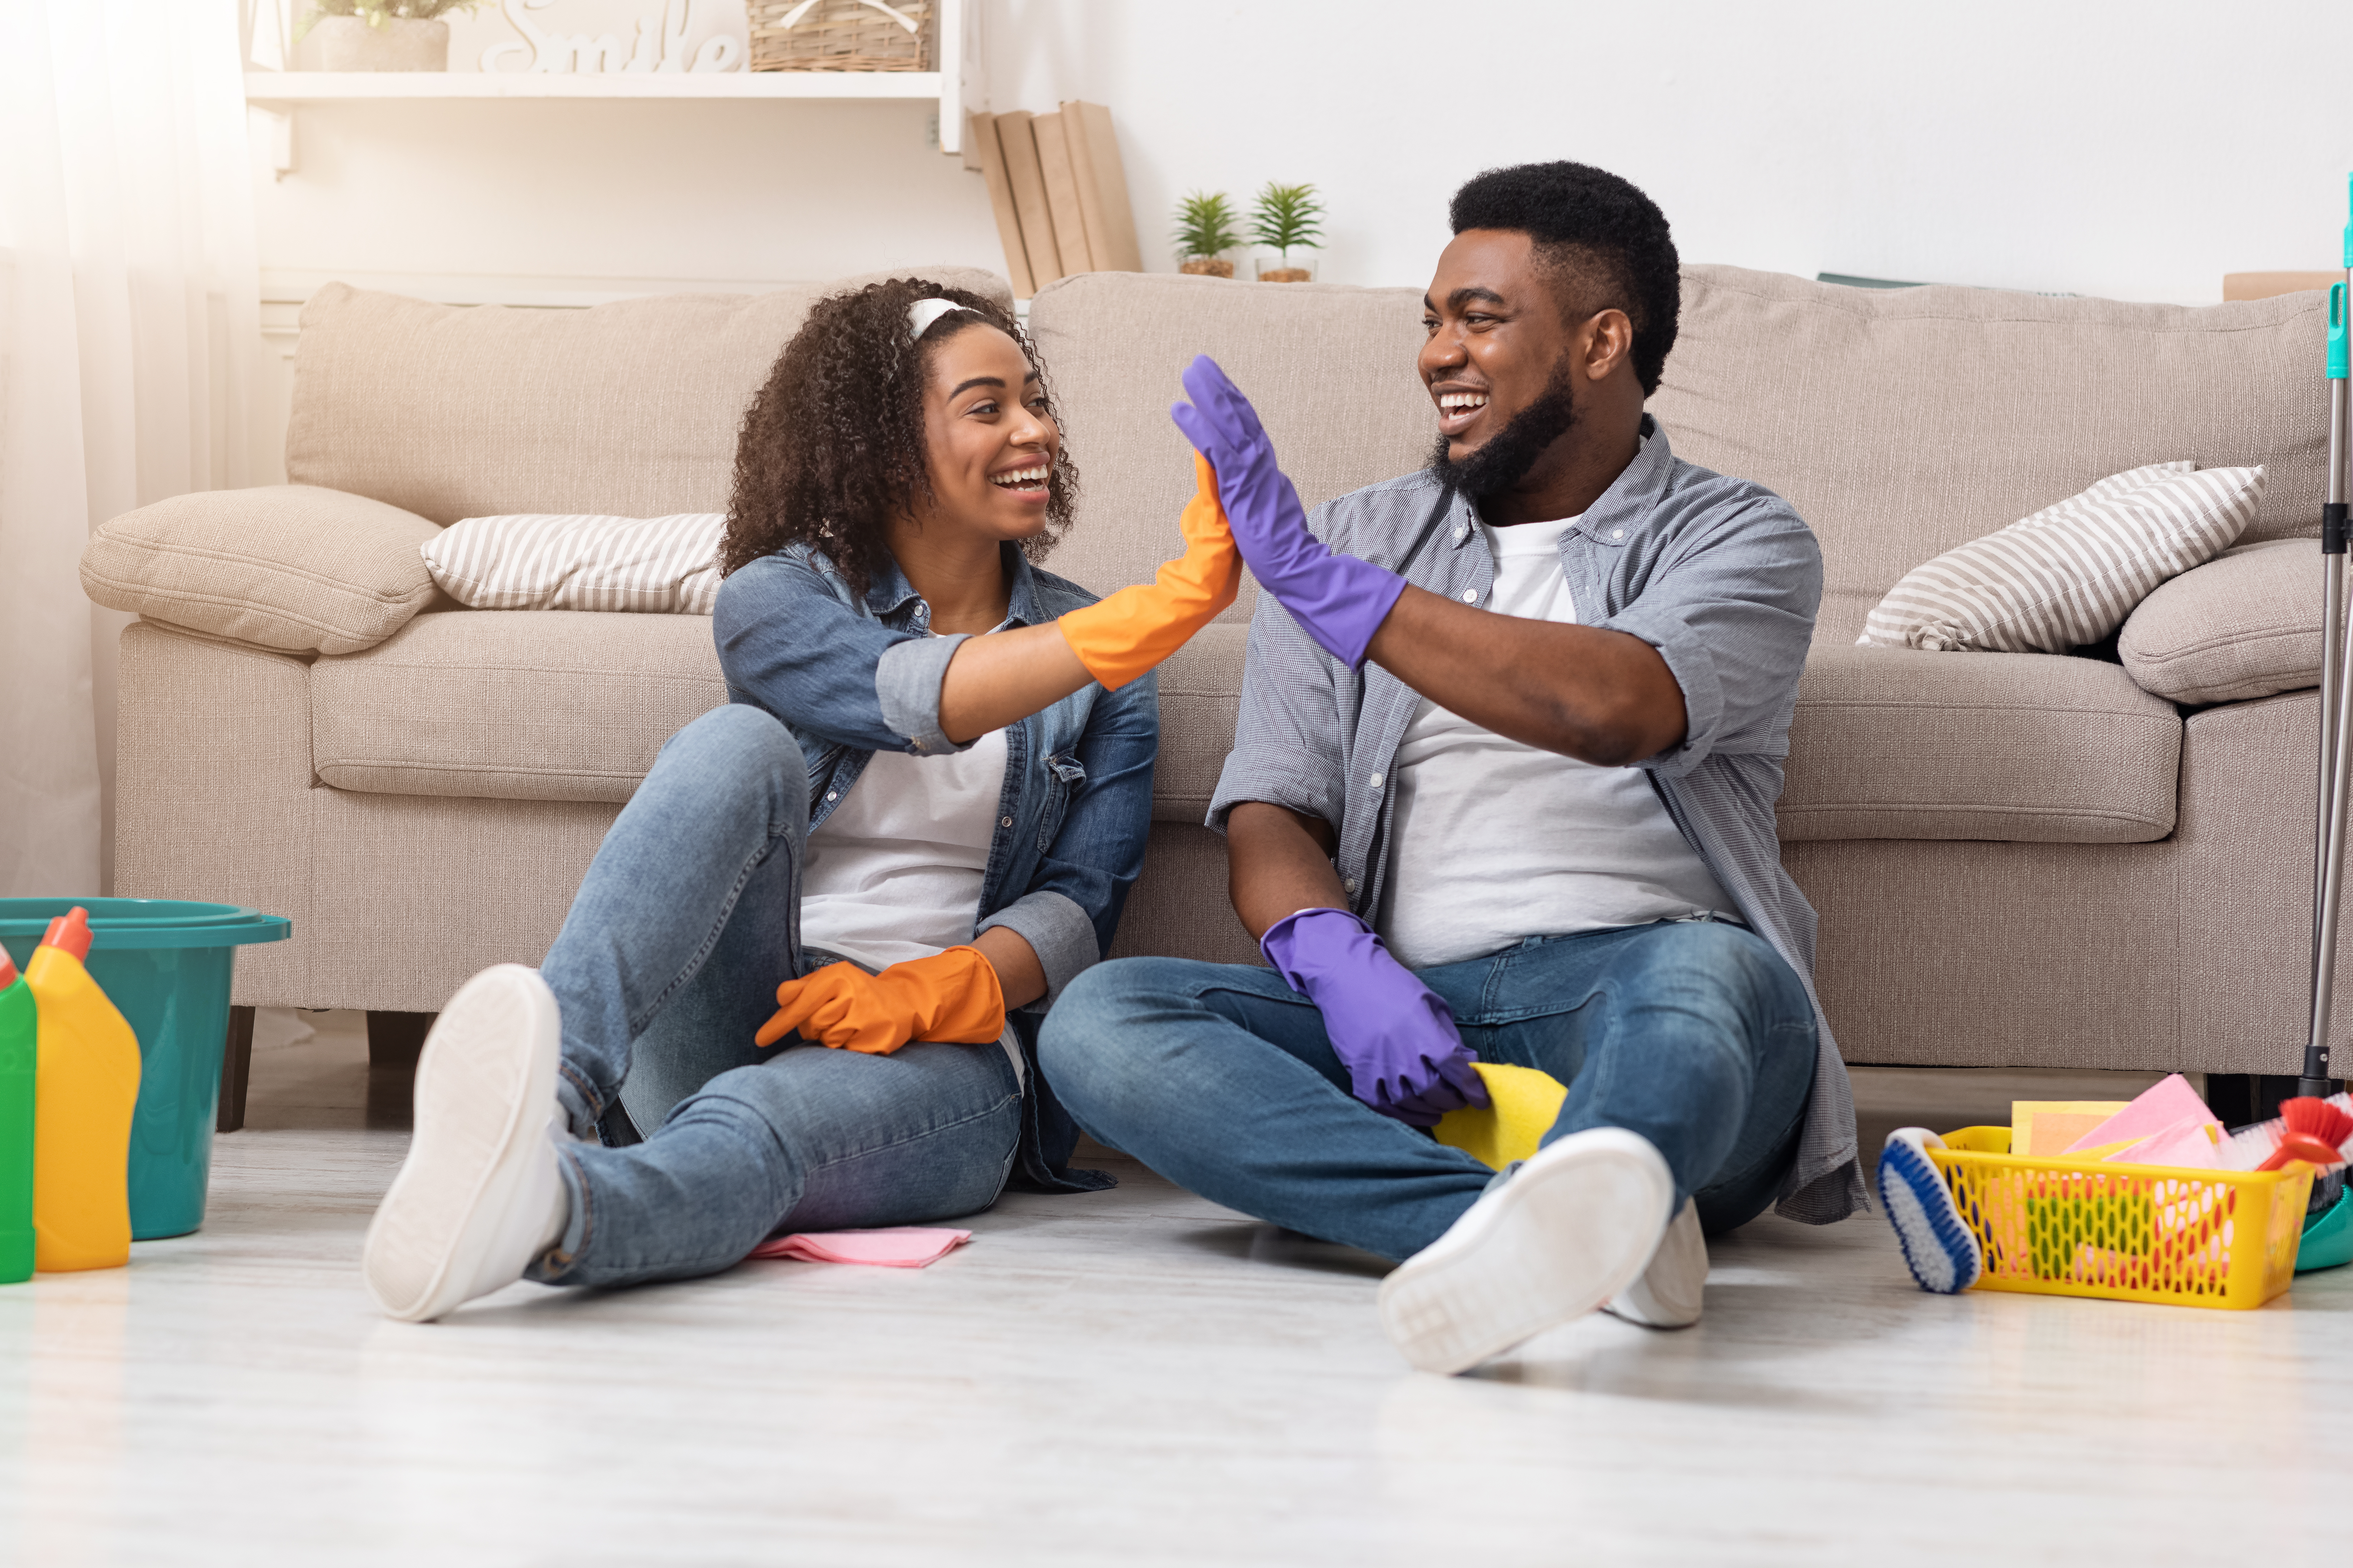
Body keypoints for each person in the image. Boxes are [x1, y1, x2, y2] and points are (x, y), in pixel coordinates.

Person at [1039, 162, 1861, 1376]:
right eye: (1431, 321)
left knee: (1714, 975)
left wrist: (1330, 591)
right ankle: (1554, 1234)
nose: (1437, 354)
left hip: (1643, 995)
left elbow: (1614, 705)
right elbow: (1272, 808)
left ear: (1599, 341)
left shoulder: (1740, 536)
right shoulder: (1361, 534)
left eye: (1478, 317)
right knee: (1102, 1020)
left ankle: (1600, 1189)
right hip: (1415, 1027)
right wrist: (1334, 961)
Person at [361, 280, 1239, 1322]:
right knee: (735, 745)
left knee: (757, 1124)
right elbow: (912, 696)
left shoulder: (1104, 651)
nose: (1034, 430)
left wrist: (931, 992)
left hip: (943, 1061)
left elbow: (1078, 906)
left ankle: (548, 1205)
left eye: (1036, 399)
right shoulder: (776, 598)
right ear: (882, 441)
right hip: (749, 1004)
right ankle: (541, 1102)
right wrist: (1153, 614)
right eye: (987, 406)